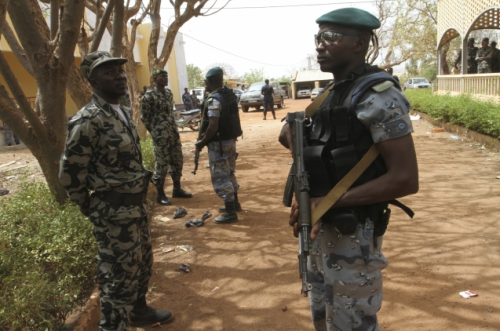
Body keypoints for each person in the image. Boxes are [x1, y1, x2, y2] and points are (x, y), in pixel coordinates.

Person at [279, 8, 418, 331]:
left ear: (359, 43)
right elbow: (328, 153)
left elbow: (405, 178)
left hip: (353, 233)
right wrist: (292, 139)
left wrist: (326, 202)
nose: (319, 46)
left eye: (330, 37)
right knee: (323, 319)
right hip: (320, 227)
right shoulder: (332, 93)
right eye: (318, 38)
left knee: (352, 324)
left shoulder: (378, 95)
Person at [59, 51, 173, 331]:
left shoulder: (120, 112)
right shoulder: (88, 120)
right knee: (117, 281)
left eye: (120, 71)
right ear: (93, 81)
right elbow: (70, 175)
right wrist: (92, 207)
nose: (120, 76)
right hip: (113, 216)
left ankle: (140, 312)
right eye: (109, 72)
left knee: (143, 265)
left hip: (135, 209)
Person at [195, 67, 243, 224]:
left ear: (209, 82)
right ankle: (234, 203)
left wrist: (202, 142)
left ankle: (230, 212)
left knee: (221, 176)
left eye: (206, 82)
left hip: (219, 145)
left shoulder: (214, 100)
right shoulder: (228, 95)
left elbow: (213, 127)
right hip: (230, 141)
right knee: (229, 173)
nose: (205, 85)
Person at [141, 69, 193, 206]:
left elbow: (171, 112)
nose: (166, 78)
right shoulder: (149, 96)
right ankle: (161, 194)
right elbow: (144, 117)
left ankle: (177, 189)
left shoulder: (169, 93)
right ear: (155, 78)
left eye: (166, 76)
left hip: (173, 133)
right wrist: (155, 132)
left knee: (177, 160)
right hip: (160, 137)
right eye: (162, 76)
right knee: (162, 164)